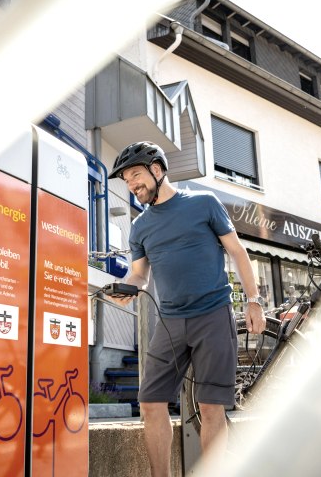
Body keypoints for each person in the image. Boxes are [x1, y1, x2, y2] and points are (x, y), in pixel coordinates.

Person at [106, 141, 266, 476]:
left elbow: (237, 251)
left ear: (158, 170)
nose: (132, 185)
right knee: (150, 403)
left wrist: (254, 301)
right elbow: (140, 275)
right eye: (127, 181)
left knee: (210, 408)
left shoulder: (204, 203)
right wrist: (125, 290)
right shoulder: (140, 226)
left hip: (213, 315)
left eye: (136, 176)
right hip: (170, 322)